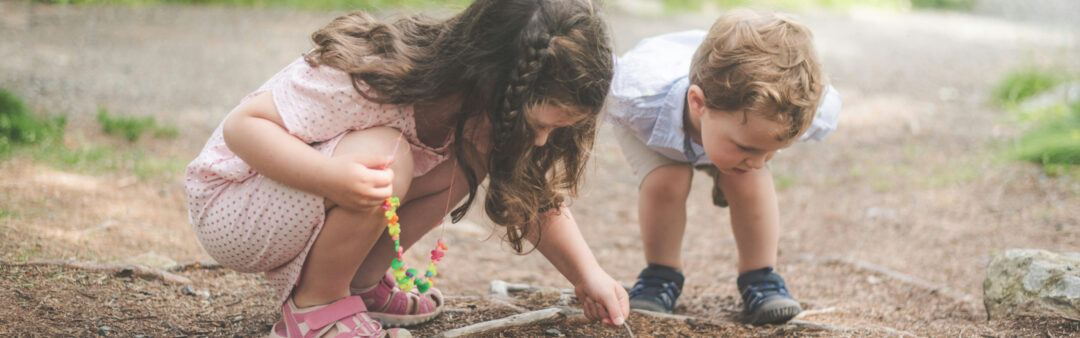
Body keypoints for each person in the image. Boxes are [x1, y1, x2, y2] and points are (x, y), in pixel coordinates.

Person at [184, 0, 629, 336]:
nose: (540, 140)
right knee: (385, 154)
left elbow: (528, 193)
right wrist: (330, 178)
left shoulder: (482, 118)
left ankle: (357, 286)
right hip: (235, 206)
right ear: (494, 78)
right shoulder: (376, 76)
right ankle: (314, 309)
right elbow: (243, 127)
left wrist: (588, 275)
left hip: (291, 206)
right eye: (538, 124)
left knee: (471, 157)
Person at [605, 9, 842, 325]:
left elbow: (756, 147)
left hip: (716, 129)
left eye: (772, 150)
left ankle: (761, 278)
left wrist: (745, 154)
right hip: (655, 131)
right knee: (668, 180)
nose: (759, 159)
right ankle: (660, 276)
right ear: (698, 104)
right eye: (748, 147)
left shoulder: (790, 106)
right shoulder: (636, 99)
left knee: (750, 179)